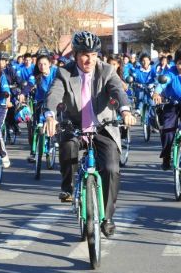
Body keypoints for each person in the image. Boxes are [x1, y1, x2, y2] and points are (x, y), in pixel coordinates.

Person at [44, 31, 136, 238]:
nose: (90, 59)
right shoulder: (64, 73)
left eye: (94, 54)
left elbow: (117, 91)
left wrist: (125, 111)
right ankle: (67, 186)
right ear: (75, 55)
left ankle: (108, 217)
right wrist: (50, 116)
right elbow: (54, 94)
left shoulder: (107, 70)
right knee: (68, 146)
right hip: (74, 124)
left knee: (112, 169)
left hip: (103, 126)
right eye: (85, 54)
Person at [24, 53, 58, 162]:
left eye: (44, 64)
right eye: (40, 64)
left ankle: (52, 142)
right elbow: (29, 84)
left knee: (53, 123)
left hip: (54, 102)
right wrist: (22, 93)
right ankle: (33, 153)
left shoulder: (56, 72)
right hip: (40, 101)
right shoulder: (35, 75)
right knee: (36, 126)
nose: (42, 66)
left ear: (50, 64)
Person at [132, 52, 156, 117]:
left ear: (149, 61)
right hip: (140, 87)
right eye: (143, 61)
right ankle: (138, 109)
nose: (145, 62)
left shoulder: (153, 69)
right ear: (140, 62)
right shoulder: (137, 69)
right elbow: (134, 76)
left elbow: (157, 77)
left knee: (152, 102)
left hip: (151, 87)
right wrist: (132, 79)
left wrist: (154, 83)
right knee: (140, 95)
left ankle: (154, 115)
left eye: (147, 60)